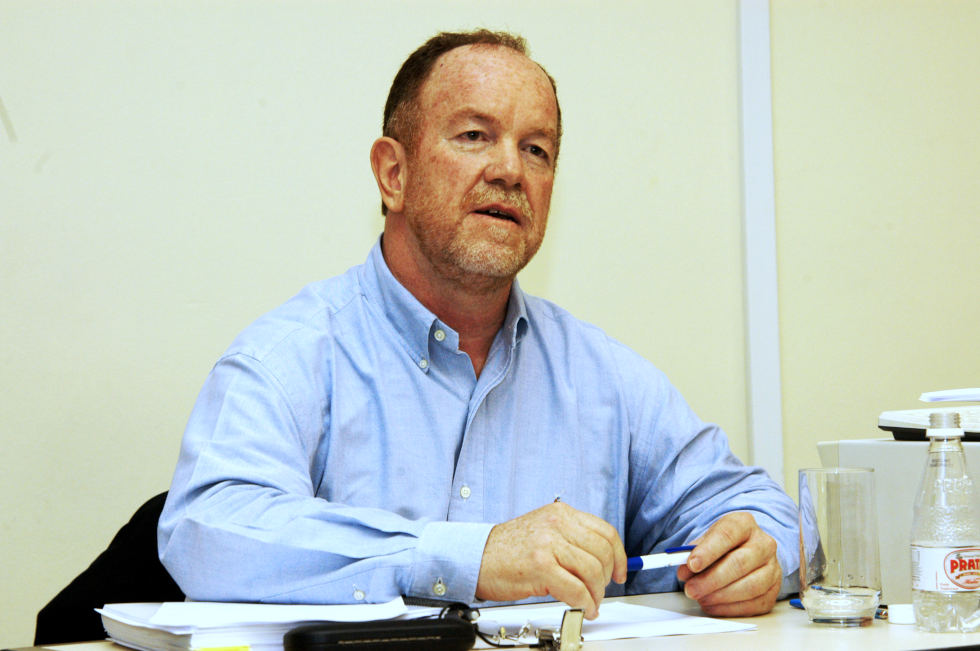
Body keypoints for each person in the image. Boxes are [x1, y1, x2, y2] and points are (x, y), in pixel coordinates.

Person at [158, 29, 799, 620]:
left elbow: (770, 514)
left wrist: (759, 553)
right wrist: (471, 557)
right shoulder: (292, 356)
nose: (510, 171)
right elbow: (207, 531)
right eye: (473, 136)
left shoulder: (603, 377)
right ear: (393, 173)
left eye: (537, 149)